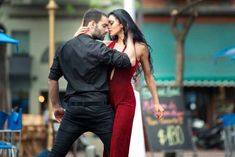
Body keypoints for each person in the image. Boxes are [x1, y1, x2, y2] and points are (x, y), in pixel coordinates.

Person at [74, 9, 164, 157]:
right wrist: (77, 36)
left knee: (118, 143)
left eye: (111, 23)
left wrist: (156, 103)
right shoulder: (107, 45)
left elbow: (148, 76)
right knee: (108, 146)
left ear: (122, 24)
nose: (108, 26)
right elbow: (79, 50)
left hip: (125, 101)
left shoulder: (139, 47)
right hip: (106, 101)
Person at [48, 9, 136, 157]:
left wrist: (56, 106)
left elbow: (52, 79)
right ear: (92, 24)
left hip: (73, 112)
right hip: (100, 111)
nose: (106, 29)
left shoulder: (64, 48)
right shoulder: (98, 48)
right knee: (118, 153)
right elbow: (126, 61)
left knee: (56, 154)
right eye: (103, 25)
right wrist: (131, 37)